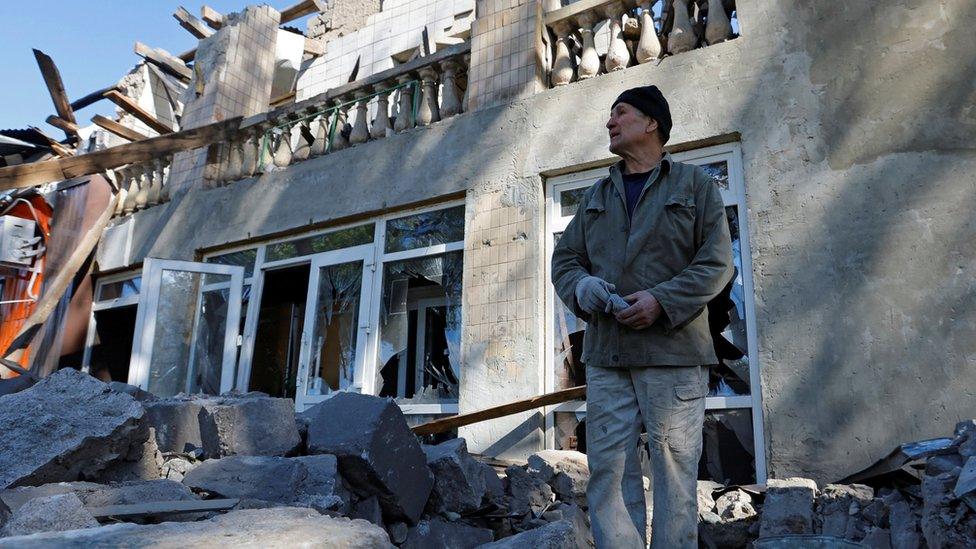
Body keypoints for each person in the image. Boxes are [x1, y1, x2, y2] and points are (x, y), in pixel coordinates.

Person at [551, 85, 733, 548]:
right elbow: (565, 261)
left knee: (674, 472)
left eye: (621, 112)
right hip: (608, 357)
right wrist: (583, 287)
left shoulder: (696, 186)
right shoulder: (597, 194)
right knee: (608, 473)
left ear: (652, 123)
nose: (610, 122)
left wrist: (661, 301)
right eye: (610, 115)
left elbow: (716, 264)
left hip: (672, 354)